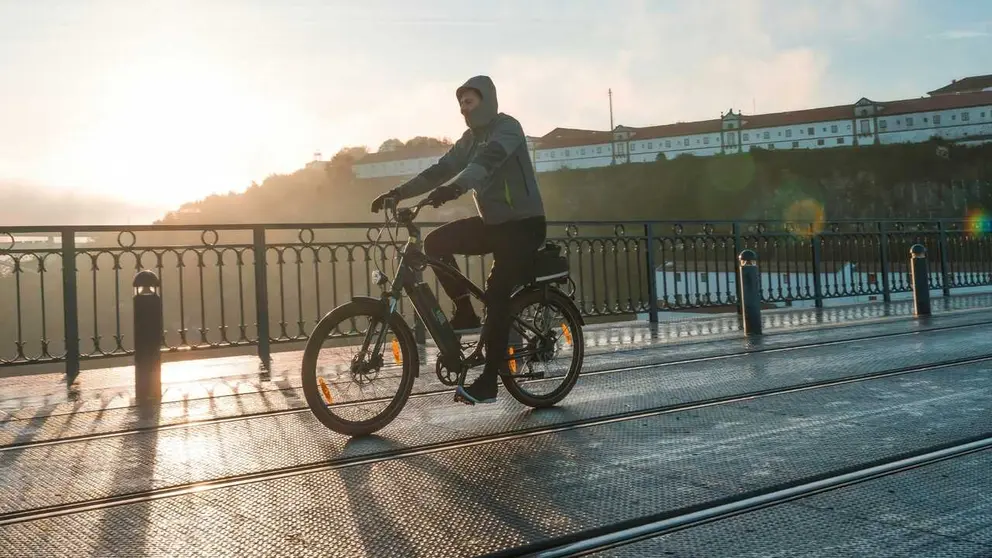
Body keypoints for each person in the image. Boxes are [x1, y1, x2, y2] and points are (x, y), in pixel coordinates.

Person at [370, 75, 546, 405]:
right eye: (461, 103)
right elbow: (441, 168)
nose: (465, 108)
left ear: (488, 100)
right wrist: (398, 193)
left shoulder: (508, 128)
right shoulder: (469, 138)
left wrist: (455, 188)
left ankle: (489, 382)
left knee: (496, 298)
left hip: (524, 225)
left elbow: (485, 164)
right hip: (495, 224)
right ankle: (464, 310)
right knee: (436, 243)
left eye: (471, 101)